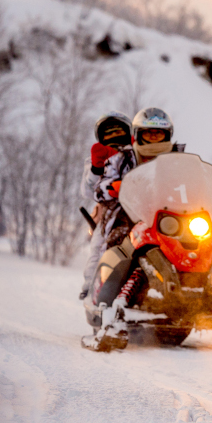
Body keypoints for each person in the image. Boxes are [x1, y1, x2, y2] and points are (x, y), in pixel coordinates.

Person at [88, 108, 183, 299]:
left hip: (171, 216)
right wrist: (113, 187)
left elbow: (193, 180)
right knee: (119, 239)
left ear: (168, 134)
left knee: (207, 238)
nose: (154, 137)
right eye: (149, 132)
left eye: (159, 133)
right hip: (129, 213)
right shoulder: (122, 158)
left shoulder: (178, 159)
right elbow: (100, 187)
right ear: (139, 134)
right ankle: (107, 293)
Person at [79, 111, 132, 299]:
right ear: (101, 138)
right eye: (108, 134)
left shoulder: (136, 153)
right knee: (99, 243)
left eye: (118, 131)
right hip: (109, 209)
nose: (113, 137)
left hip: (140, 206)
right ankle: (91, 286)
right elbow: (86, 190)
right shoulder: (97, 157)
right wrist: (95, 168)